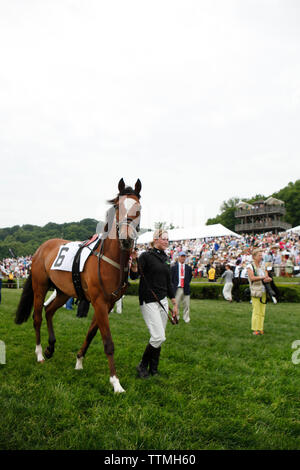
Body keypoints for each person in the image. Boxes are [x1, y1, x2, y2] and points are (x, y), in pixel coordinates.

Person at [130, 229, 178, 378]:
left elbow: (168, 282)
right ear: (155, 239)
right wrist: (134, 263)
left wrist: (174, 303)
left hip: (163, 300)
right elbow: (134, 276)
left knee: (159, 336)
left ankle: (154, 369)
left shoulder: (165, 257)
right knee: (158, 337)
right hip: (148, 300)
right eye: (164, 239)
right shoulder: (145, 256)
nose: (166, 242)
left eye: (167, 239)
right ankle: (143, 365)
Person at [247, 247, 272, 336]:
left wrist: (268, 279)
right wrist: (263, 277)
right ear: (254, 257)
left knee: (262, 311)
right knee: (256, 310)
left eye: (261, 255)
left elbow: (267, 276)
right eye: (259, 255)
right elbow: (252, 278)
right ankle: (255, 328)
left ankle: (260, 328)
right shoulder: (250, 266)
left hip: (263, 290)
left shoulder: (263, 266)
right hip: (256, 291)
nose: (261, 257)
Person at [171, 251, 193, 323]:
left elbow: (189, 278)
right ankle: (175, 317)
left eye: (184, 256)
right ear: (178, 257)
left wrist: (186, 284)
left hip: (185, 288)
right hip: (177, 288)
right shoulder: (174, 267)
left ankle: (186, 318)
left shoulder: (188, 268)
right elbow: (171, 279)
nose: (183, 258)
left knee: (186, 305)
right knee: (176, 304)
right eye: (181, 256)